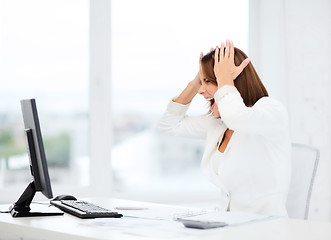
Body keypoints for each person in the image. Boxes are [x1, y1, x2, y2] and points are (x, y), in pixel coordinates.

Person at [158, 40, 291, 216]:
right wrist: (195, 82)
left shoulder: (271, 111)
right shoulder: (218, 125)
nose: (201, 91)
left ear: (231, 81)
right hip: (227, 224)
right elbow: (169, 125)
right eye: (202, 82)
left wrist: (224, 79)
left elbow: (237, 116)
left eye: (208, 82)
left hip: (265, 227)